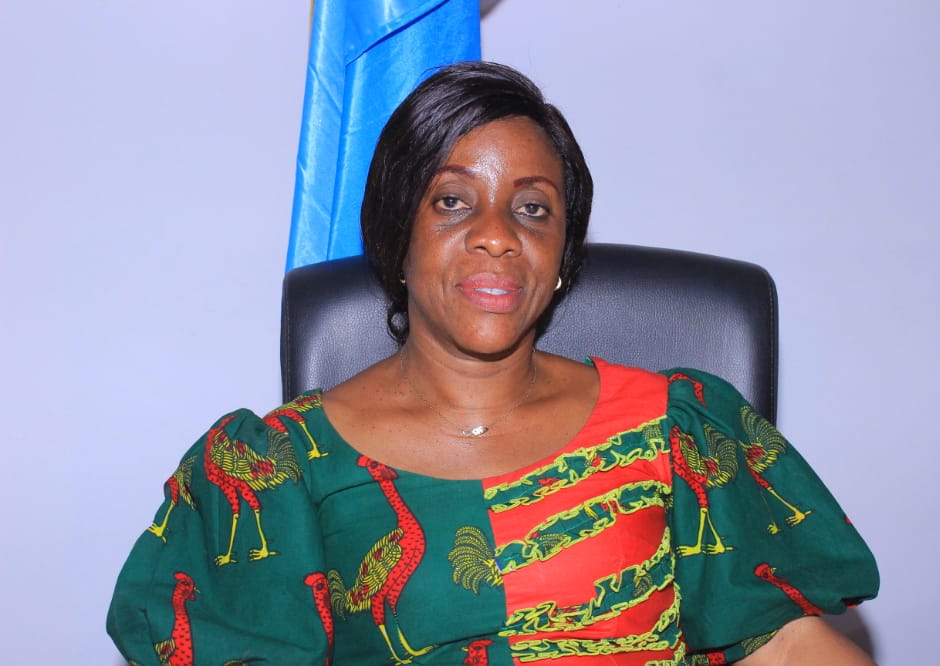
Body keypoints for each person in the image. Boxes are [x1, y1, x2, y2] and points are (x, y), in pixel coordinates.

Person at [108, 62, 878, 665]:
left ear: (562, 257)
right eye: (452, 201)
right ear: (397, 235)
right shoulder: (281, 471)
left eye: (533, 208)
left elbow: (786, 646)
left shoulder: (673, 427)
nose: (498, 234)